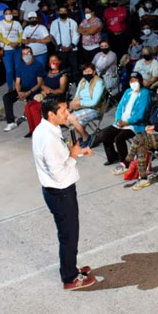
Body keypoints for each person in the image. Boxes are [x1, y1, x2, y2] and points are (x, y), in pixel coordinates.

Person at [32, 95, 96, 290]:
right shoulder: (49, 138)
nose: (68, 113)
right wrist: (74, 155)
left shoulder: (44, 129)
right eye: (63, 111)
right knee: (69, 235)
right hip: (61, 192)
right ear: (51, 114)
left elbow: (58, 159)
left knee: (68, 234)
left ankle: (70, 267)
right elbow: (59, 173)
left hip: (56, 191)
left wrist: (74, 151)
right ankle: (70, 278)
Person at [115, 80, 158, 190]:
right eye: (157, 90)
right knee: (141, 147)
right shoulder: (156, 105)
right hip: (151, 136)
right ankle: (143, 179)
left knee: (139, 138)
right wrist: (148, 126)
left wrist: (155, 128)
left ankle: (127, 162)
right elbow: (148, 119)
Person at [101, 72, 152, 167]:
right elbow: (120, 107)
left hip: (135, 124)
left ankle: (125, 162)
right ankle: (112, 157)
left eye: (135, 80)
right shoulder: (127, 91)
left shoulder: (145, 94)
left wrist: (127, 122)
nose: (133, 83)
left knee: (119, 138)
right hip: (122, 122)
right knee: (105, 134)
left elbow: (141, 114)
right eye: (131, 81)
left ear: (140, 81)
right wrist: (118, 120)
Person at [24, 54, 68, 137]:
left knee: (34, 108)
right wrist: (44, 88)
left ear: (59, 62)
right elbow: (41, 84)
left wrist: (51, 91)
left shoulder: (62, 75)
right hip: (45, 95)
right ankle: (32, 130)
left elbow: (61, 90)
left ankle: (40, 131)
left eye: (55, 60)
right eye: (51, 61)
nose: (53, 62)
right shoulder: (47, 73)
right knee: (27, 106)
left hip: (55, 98)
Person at [3, 48, 44, 132]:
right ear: (21, 56)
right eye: (24, 54)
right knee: (6, 97)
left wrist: (28, 93)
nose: (26, 55)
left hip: (33, 89)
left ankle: (35, 124)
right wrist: (19, 92)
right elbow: (17, 82)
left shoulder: (38, 65)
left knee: (33, 103)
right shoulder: (20, 65)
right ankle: (10, 122)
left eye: (28, 53)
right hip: (23, 89)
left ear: (32, 54)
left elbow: (39, 83)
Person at [0, 8, 24, 91]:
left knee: (18, 68)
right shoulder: (0, 24)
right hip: (6, 50)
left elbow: (21, 35)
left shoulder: (17, 23)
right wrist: (9, 43)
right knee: (9, 70)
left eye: (10, 13)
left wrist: (17, 43)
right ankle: (10, 87)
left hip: (17, 49)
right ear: (4, 15)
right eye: (6, 13)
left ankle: (18, 85)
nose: (8, 15)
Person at [49, 7, 80, 78]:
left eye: (64, 11)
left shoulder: (72, 22)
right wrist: (59, 46)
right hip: (61, 50)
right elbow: (52, 35)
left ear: (67, 12)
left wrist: (72, 45)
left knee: (75, 67)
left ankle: (76, 83)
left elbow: (76, 34)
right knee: (63, 68)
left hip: (72, 49)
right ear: (58, 12)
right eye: (61, 11)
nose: (63, 13)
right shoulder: (54, 23)